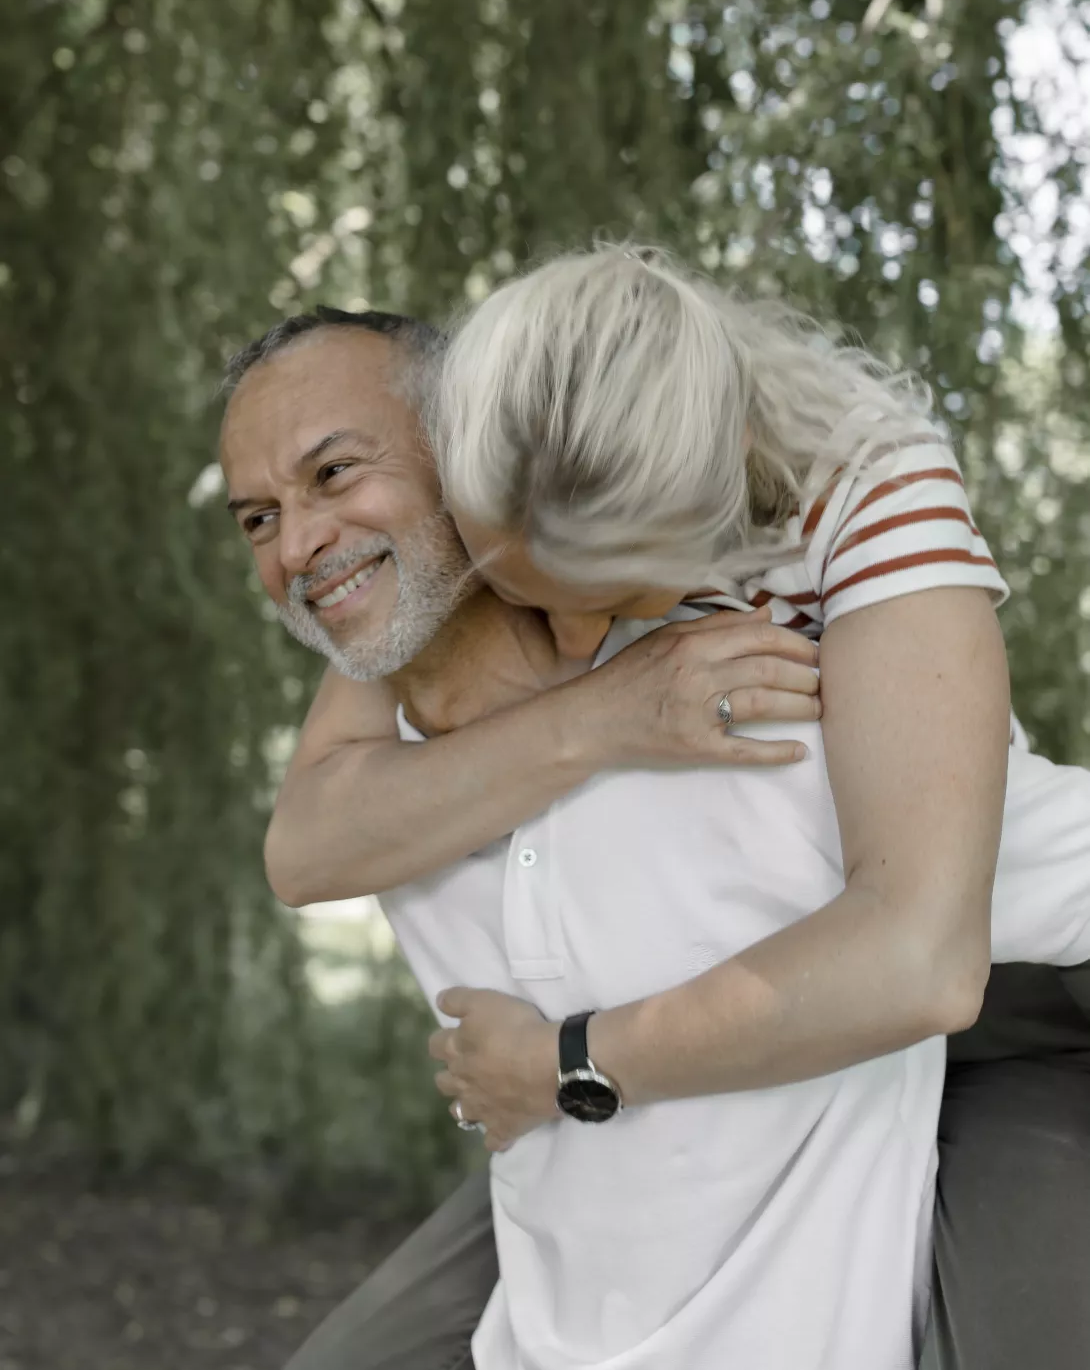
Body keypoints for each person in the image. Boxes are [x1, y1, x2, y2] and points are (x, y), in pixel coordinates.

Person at [219, 305, 1090, 1369]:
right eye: (256, 518)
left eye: (333, 474)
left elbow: (926, 952)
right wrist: (603, 716)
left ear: (473, 458)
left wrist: (562, 1066)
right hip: (665, 1151)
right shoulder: (428, 686)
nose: (299, 541)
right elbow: (303, 850)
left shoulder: (807, 600)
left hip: (1004, 992)